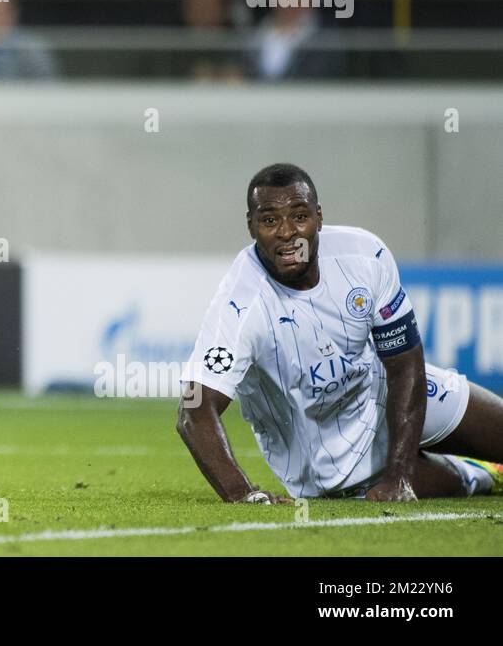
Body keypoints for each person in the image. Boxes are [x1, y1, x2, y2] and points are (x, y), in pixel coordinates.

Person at [176, 163, 503, 502]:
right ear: (251, 226)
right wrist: (242, 493)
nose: (287, 232)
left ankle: (428, 466)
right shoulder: (240, 304)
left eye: (299, 216)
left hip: (380, 391)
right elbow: (193, 408)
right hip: (327, 453)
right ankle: (476, 473)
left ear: (319, 217)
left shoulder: (365, 256)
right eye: (270, 220)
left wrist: (399, 474)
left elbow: (405, 365)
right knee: (456, 484)